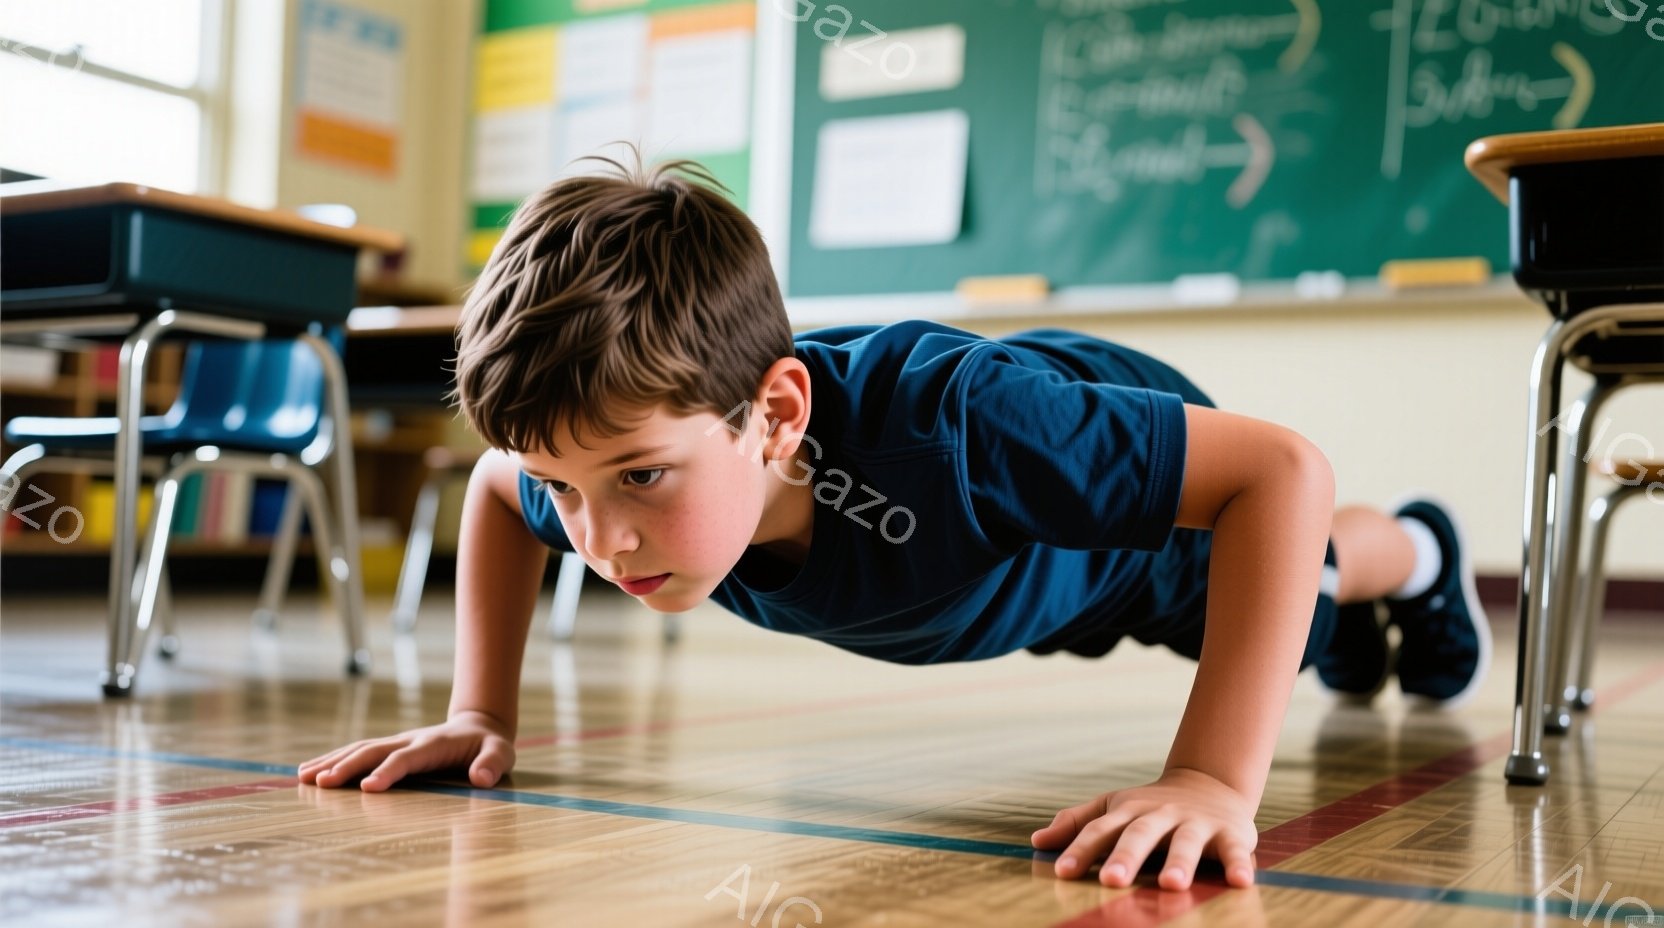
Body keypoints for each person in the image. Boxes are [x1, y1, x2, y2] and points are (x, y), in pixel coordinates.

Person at [299, 156, 1489, 893]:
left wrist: (1209, 778)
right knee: (1315, 639)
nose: (598, 539)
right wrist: (478, 713)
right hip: (1026, 585)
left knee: (1314, 585)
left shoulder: (970, 428)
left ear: (772, 416)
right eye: (569, 487)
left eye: (638, 482)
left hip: (1122, 525)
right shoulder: (606, 468)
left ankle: (1423, 549)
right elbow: (498, 495)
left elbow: (1275, 471)